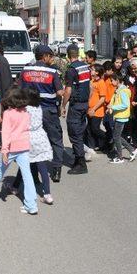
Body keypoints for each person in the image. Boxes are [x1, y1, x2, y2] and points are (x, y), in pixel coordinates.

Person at [0, 87, 38, 215]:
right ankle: (31, 205)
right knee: (27, 176)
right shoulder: (26, 112)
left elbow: (5, 133)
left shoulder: (8, 113)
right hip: (24, 146)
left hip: (11, 148)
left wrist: (4, 150)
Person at [18, 45, 65, 182]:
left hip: (30, 111)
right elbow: (59, 92)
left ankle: (34, 174)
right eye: (50, 56)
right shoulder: (52, 72)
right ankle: (56, 170)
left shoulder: (26, 69)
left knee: (30, 141)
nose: (51, 59)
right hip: (48, 111)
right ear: (45, 56)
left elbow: (19, 89)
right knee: (56, 140)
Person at [11, 88, 54, 205]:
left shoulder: (25, 110)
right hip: (40, 138)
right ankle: (47, 194)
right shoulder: (39, 107)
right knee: (42, 168)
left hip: (28, 138)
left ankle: (15, 187)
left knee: (24, 165)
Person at [61, 44, 91, 175]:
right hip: (84, 104)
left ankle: (81, 163)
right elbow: (91, 87)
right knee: (79, 132)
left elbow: (68, 90)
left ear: (68, 55)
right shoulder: (85, 67)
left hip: (76, 105)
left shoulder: (71, 70)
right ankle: (78, 159)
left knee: (74, 134)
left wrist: (63, 106)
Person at [107, 74, 137, 164]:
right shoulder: (118, 90)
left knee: (116, 137)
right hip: (118, 116)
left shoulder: (123, 91)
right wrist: (110, 108)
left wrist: (113, 107)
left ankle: (120, 157)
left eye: (112, 80)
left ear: (117, 80)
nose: (111, 82)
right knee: (117, 136)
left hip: (121, 116)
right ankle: (132, 150)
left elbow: (125, 105)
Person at [87, 64, 107, 151]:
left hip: (97, 111)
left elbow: (102, 99)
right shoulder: (91, 81)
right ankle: (93, 146)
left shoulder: (101, 83)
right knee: (89, 129)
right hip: (89, 109)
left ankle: (108, 138)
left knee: (95, 129)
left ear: (97, 72)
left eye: (93, 70)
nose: (91, 71)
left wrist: (93, 109)